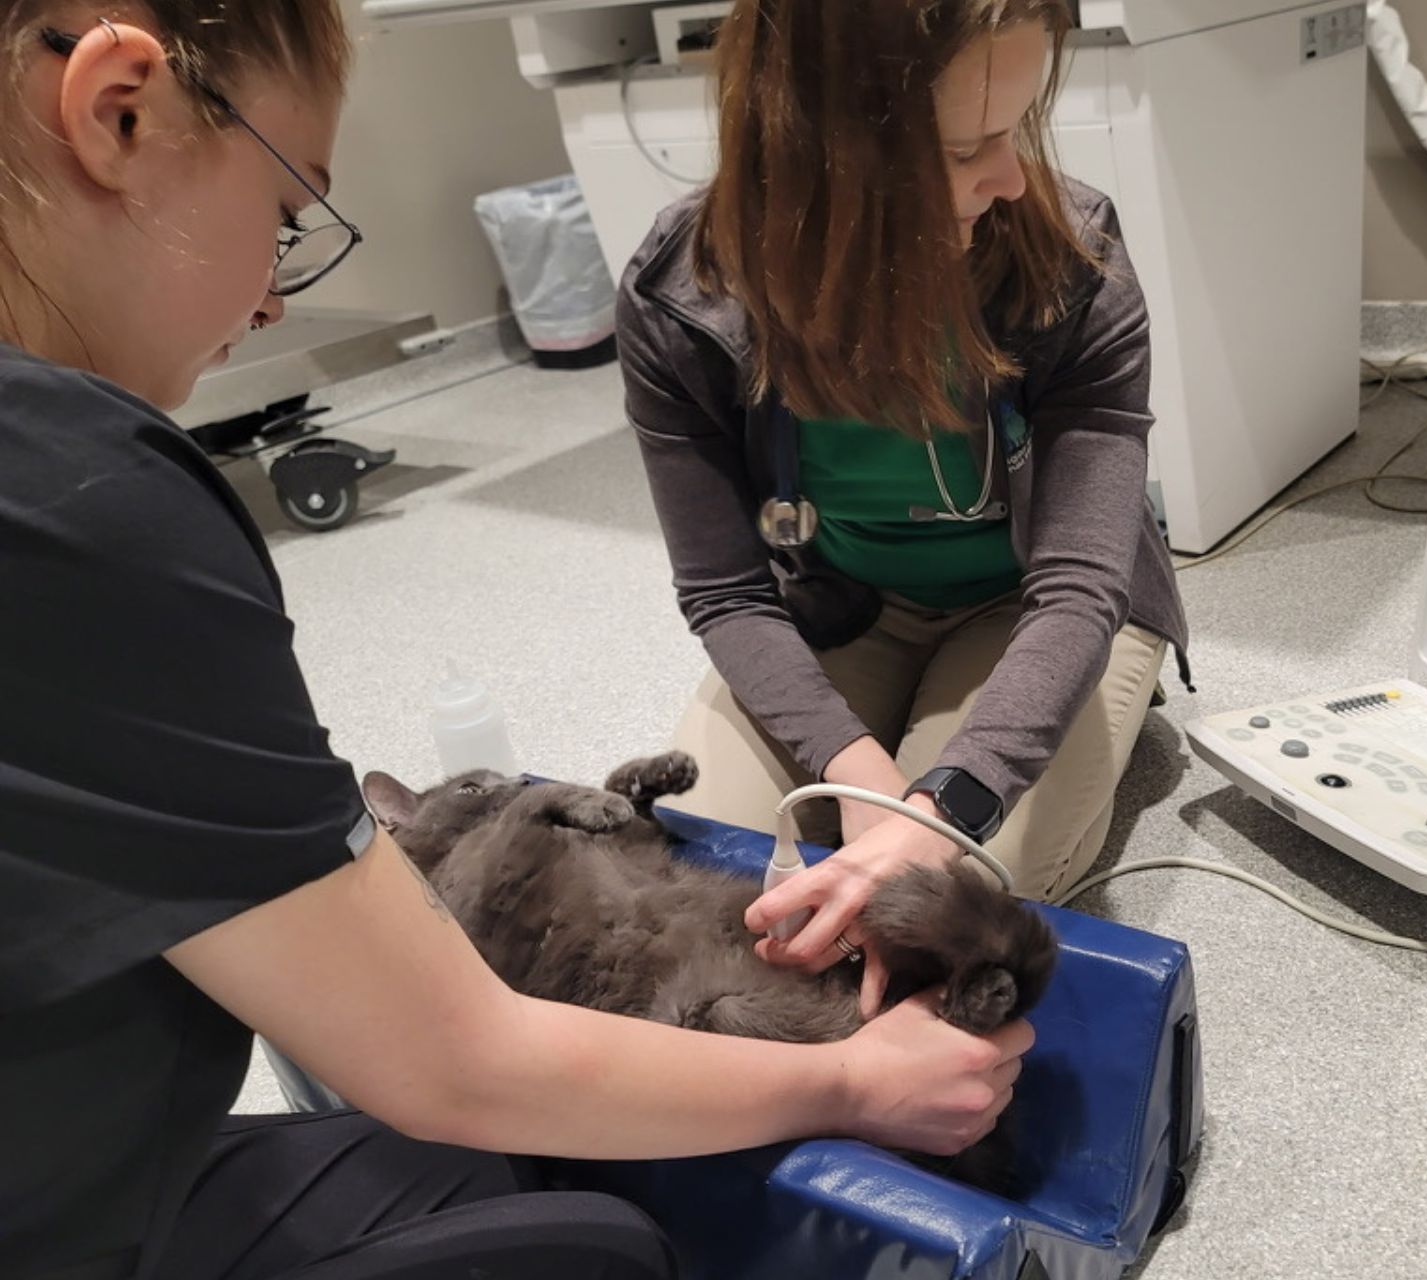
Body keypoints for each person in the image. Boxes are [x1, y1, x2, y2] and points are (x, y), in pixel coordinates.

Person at [0, 5, 1032, 1278]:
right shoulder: (80, 500)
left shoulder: (1058, 257)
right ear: (120, 111)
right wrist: (855, 1084)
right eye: (285, 216)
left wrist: (935, 795)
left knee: (949, 874)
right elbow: (452, 1054)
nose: (273, 298)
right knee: (599, 1243)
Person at [621, 0, 1191, 1003]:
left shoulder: (1074, 259)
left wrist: (941, 804)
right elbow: (727, 592)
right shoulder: (682, 298)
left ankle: (1096, 709)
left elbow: (1078, 582)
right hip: (837, 600)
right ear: (813, 149)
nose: (1013, 178)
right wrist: (861, 774)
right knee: (680, 896)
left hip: (1031, 609)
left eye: (1018, 130)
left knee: (928, 924)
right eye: (967, 146)